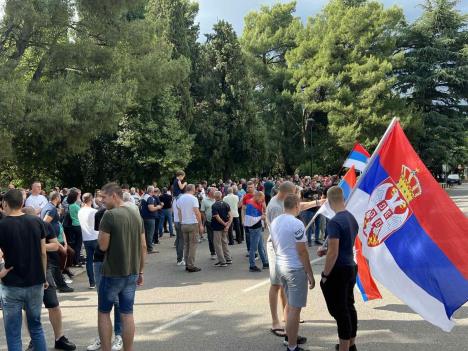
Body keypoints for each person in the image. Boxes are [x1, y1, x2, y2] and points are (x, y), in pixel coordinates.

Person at [97, 183, 146, 351]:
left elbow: (103, 246)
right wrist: (140, 270)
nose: (101, 200)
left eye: (104, 197)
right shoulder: (135, 213)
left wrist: (100, 236)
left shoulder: (109, 215)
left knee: (104, 312)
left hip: (112, 272)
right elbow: (143, 245)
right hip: (132, 271)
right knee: (127, 313)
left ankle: (106, 349)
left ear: (114, 196)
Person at [0, 189, 48, 351]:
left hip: (12, 284)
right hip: (35, 281)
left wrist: (1, 273)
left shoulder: (2, 225)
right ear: (22, 203)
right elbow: (43, 252)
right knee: (36, 327)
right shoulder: (36, 222)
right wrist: (44, 276)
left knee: (13, 332)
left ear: (5, 203)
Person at [22, 207, 76, 351]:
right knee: (29, 308)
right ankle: (34, 340)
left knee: (53, 305)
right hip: (25, 271)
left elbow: (54, 245)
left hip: (45, 270)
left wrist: (39, 245)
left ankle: (59, 338)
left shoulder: (44, 225)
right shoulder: (19, 227)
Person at [270, 194, 315, 351]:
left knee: (290, 304)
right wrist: (309, 273)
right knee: (295, 308)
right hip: (294, 268)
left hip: (281, 265)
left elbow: (275, 244)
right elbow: (302, 251)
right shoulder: (297, 224)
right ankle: (292, 346)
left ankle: (291, 338)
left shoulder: (275, 221)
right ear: (296, 205)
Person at [319, 186, 359, 351]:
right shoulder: (351, 218)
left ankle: (344, 347)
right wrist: (327, 249)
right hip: (351, 266)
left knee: (340, 311)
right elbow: (345, 243)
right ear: (343, 198)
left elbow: (333, 253)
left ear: (328, 201)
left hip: (339, 270)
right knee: (349, 306)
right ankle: (351, 344)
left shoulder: (335, 221)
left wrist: (325, 275)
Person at [87, 201, 123, 351]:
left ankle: (119, 335)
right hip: (99, 259)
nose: (102, 199)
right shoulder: (100, 213)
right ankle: (103, 337)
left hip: (115, 261)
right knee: (103, 301)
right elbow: (101, 239)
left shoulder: (124, 215)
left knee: (116, 301)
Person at [42, 192, 74, 293]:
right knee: (55, 263)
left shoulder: (49, 207)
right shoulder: (51, 208)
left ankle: (59, 283)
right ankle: (61, 285)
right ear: (57, 198)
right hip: (50, 240)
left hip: (51, 239)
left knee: (54, 263)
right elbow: (45, 223)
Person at [177, 184, 204, 272]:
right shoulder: (193, 198)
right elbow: (197, 212)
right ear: (193, 189)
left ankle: (187, 264)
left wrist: (181, 222)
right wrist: (200, 224)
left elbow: (179, 212)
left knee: (186, 245)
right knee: (193, 245)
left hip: (184, 224)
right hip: (192, 223)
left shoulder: (180, 199)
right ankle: (191, 265)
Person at [244, 191, 268, 272]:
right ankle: (252, 265)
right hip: (254, 228)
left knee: (260, 247)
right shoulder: (251, 204)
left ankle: (265, 262)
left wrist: (262, 217)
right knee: (253, 248)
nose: (262, 201)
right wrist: (261, 217)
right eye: (261, 199)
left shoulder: (254, 202)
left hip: (257, 227)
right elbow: (250, 219)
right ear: (258, 196)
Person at [78, 193, 99, 289]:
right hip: (95, 237)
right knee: (100, 260)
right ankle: (99, 280)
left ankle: (92, 282)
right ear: (91, 200)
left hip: (86, 238)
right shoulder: (94, 211)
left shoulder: (80, 211)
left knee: (89, 261)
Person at [211, 191, 232, 267]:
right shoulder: (226, 204)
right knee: (224, 242)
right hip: (225, 227)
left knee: (217, 244)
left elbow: (217, 217)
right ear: (221, 196)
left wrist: (224, 224)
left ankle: (222, 261)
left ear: (214, 197)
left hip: (217, 227)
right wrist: (227, 225)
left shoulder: (214, 206)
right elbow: (231, 215)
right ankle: (228, 258)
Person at [140, 186, 162, 254]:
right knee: (149, 234)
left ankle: (145, 247)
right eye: (154, 191)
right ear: (151, 191)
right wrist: (158, 207)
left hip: (144, 217)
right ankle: (150, 249)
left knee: (146, 233)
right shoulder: (149, 198)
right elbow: (151, 208)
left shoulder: (144, 196)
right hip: (150, 218)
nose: (154, 192)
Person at [65, 189, 83, 266]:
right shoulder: (76, 206)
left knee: (73, 243)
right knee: (78, 244)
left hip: (72, 225)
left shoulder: (70, 206)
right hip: (78, 225)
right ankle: (76, 261)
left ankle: (73, 260)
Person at [201, 188, 217, 260]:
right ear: (209, 193)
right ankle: (213, 253)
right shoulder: (204, 200)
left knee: (219, 238)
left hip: (218, 222)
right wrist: (205, 220)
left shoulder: (217, 198)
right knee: (211, 238)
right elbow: (202, 211)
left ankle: (221, 252)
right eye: (214, 191)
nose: (215, 192)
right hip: (209, 221)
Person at [241, 181, 256, 255]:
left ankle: (256, 251)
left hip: (257, 219)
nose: (250, 189)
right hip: (247, 219)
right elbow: (243, 209)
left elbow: (263, 208)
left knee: (257, 236)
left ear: (254, 187)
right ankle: (249, 250)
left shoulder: (258, 195)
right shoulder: (245, 197)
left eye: (251, 187)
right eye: (248, 187)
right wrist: (243, 219)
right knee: (248, 236)